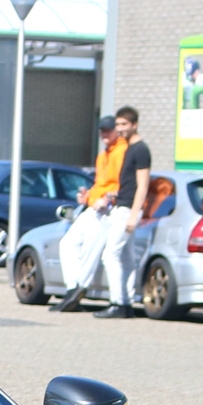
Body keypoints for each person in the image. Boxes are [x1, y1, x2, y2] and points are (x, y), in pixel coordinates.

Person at [52, 113, 127, 312]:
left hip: (108, 209)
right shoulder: (103, 155)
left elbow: (121, 183)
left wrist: (109, 198)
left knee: (90, 249)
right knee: (68, 243)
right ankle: (72, 288)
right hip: (93, 206)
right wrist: (88, 196)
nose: (104, 133)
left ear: (116, 131)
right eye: (102, 130)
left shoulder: (122, 152)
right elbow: (100, 183)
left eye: (107, 130)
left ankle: (80, 289)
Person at [94, 107, 155, 319]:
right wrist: (115, 193)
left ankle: (116, 302)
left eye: (124, 125)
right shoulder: (128, 149)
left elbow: (142, 186)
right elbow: (128, 184)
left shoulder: (140, 150)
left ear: (134, 125)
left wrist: (133, 215)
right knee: (127, 258)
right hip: (122, 205)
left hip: (128, 210)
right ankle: (127, 303)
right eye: (118, 124)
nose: (120, 129)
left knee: (110, 254)